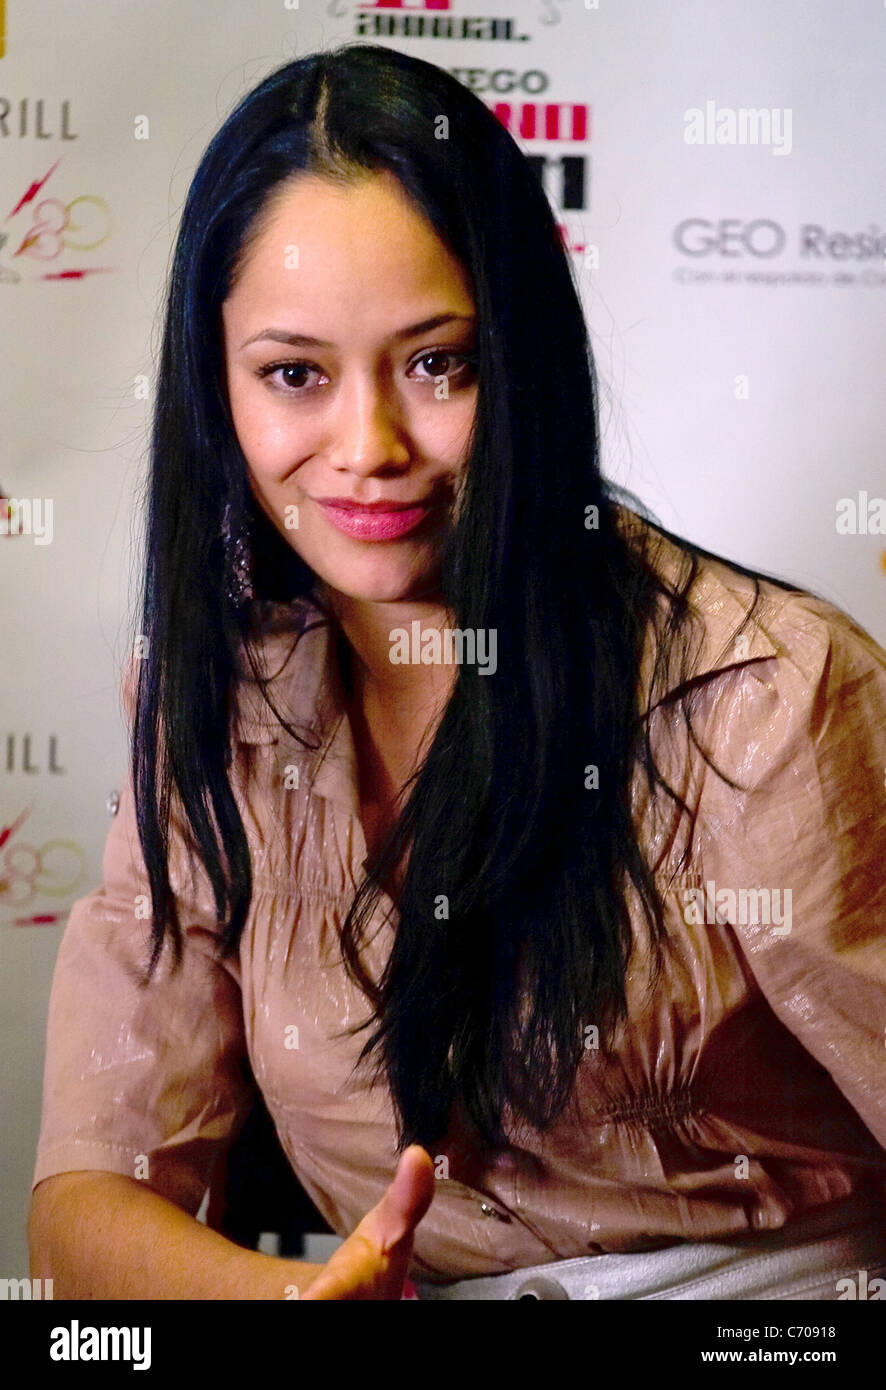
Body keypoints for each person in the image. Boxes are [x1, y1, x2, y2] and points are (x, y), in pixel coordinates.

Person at [28, 43, 886, 1301]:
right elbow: (84, 1205)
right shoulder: (212, 706)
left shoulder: (771, 696)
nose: (368, 447)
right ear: (218, 387)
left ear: (522, 362)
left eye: (440, 363)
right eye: (294, 375)